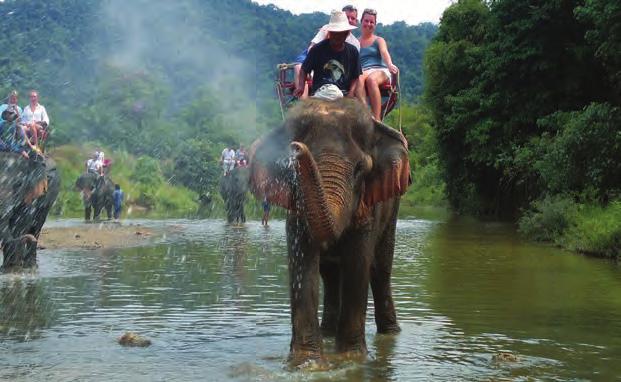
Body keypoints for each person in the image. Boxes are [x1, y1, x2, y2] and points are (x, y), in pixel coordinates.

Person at [292, 5, 360, 98]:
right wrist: (301, 87)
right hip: (321, 90)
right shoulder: (317, 49)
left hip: (343, 93)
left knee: (337, 94)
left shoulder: (353, 51)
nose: (337, 36)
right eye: (334, 33)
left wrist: (351, 93)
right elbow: (304, 69)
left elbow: (356, 76)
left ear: (346, 33)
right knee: (333, 92)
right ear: (330, 33)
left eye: (340, 33)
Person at [356, 9, 399, 120]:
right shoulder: (355, 42)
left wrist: (389, 64)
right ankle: (366, 115)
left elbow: (384, 53)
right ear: (361, 21)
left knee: (371, 80)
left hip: (379, 70)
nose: (369, 24)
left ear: (375, 24)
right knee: (359, 79)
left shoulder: (379, 40)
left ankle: (377, 118)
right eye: (366, 21)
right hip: (363, 70)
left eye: (372, 22)